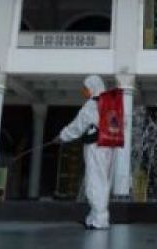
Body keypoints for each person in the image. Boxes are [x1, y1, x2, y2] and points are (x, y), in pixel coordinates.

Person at [58, 74, 115, 229]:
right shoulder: (110, 103)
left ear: (93, 87)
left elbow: (78, 126)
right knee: (103, 181)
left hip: (96, 147)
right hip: (108, 147)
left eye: (85, 88)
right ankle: (95, 217)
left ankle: (100, 220)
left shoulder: (91, 105)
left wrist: (62, 136)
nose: (83, 91)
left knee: (94, 181)